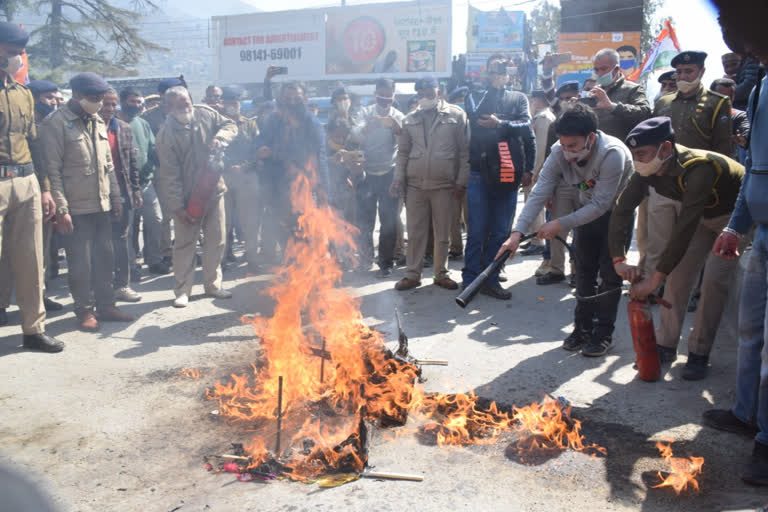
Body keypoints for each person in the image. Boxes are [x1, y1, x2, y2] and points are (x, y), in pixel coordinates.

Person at [609, 117, 745, 380]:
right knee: (678, 279)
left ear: (666, 149)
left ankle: (699, 353)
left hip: (733, 219)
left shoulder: (698, 167)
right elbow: (621, 210)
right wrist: (618, 260)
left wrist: (654, 280)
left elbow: (684, 225)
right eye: (634, 154)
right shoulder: (646, 170)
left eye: (642, 154)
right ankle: (665, 345)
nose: (637, 160)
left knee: (713, 283)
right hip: (704, 218)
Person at [497, 103, 633, 357]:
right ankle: (581, 329)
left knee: (609, 276)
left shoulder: (612, 154)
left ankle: (603, 333)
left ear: (590, 138)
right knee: (583, 273)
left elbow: (602, 204)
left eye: (573, 146)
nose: (567, 153)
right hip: (585, 214)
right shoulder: (559, 151)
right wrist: (516, 233)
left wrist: (559, 223)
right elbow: (540, 191)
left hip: (616, 217)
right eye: (564, 144)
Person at [702, 0, 768, 485]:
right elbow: (756, 172)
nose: (748, 53)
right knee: (749, 332)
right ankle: (747, 413)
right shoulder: (763, 84)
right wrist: (735, 226)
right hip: (761, 233)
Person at [39, 72, 135, 331]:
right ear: (77, 95)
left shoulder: (97, 121)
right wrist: (62, 209)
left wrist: (115, 198)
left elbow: (108, 166)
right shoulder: (55, 124)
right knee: (80, 263)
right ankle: (83, 310)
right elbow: (52, 171)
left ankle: (106, 305)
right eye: (95, 98)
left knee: (106, 257)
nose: (100, 104)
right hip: (75, 208)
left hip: (101, 205)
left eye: (102, 99)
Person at [0, 22, 64, 351]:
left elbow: (35, 143)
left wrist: (45, 187)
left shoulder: (23, 93)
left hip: (26, 181)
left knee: (31, 260)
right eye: (9, 53)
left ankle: (33, 329)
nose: (15, 60)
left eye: (17, 54)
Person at [647, 51, 733, 283]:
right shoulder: (663, 102)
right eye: (680, 72)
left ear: (701, 72)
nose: (683, 76)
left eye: (689, 71)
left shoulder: (718, 103)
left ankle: (685, 288)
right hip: (663, 184)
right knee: (658, 242)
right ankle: (652, 289)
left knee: (688, 245)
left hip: (695, 187)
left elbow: (723, 152)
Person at [154, 86, 238, 307]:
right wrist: (178, 207)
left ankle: (213, 285)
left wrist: (221, 138)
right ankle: (183, 291)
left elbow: (230, 125)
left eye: (187, 103)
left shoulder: (206, 113)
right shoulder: (165, 136)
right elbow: (169, 176)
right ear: (169, 107)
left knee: (217, 239)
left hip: (214, 190)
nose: (186, 107)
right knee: (184, 244)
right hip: (187, 199)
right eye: (179, 105)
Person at [461, 55, 536, 300]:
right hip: (480, 174)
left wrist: (529, 167)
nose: (499, 73)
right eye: (494, 69)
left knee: (501, 231)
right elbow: (476, 117)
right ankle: (470, 280)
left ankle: (491, 278)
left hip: (508, 173)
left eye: (503, 69)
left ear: (510, 72)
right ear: (486, 72)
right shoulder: (475, 95)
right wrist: (491, 89)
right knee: (477, 231)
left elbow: (526, 127)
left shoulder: (519, 97)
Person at [392, 75, 469, 291]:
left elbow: (465, 152)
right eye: (422, 92)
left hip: (445, 185)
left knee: (443, 231)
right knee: (415, 232)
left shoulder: (456, 115)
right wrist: (398, 178)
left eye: (430, 91)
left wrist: (461, 181)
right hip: (415, 185)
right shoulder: (409, 119)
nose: (426, 95)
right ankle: (412, 274)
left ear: (439, 90)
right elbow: (403, 153)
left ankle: (441, 274)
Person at [253, 81, 330, 265]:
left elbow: (318, 156)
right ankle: (291, 266)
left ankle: (306, 267)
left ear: (304, 99)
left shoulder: (311, 123)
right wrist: (260, 148)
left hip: (302, 184)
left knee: (303, 227)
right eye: (288, 98)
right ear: (281, 99)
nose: (292, 102)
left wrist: (323, 189)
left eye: (296, 98)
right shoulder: (273, 120)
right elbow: (260, 140)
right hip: (277, 183)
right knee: (282, 226)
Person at [350, 78, 404, 277]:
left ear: (393, 96)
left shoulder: (398, 116)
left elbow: (406, 144)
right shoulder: (364, 113)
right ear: (375, 95)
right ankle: (365, 261)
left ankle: (385, 263)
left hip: (389, 173)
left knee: (389, 221)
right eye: (381, 98)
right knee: (365, 221)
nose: (384, 103)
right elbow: (354, 136)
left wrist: (398, 130)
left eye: (388, 98)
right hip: (366, 174)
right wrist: (367, 128)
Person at [99, 88, 143, 302]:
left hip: (123, 192)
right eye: (105, 104)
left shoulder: (123, 128)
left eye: (112, 105)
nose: (109, 109)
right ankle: (99, 288)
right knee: (98, 243)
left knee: (121, 240)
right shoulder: (87, 129)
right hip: (96, 194)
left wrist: (135, 189)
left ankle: (122, 286)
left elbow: (132, 163)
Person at [118, 87, 168, 276]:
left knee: (156, 220)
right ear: (123, 102)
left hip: (146, 183)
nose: (137, 106)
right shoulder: (113, 123)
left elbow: (153, 148)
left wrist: (162, 163)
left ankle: (154, 260)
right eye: (133, 102)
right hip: (124, 186)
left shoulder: (143, 123)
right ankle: (130, 266)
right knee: (128, 229)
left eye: (140, 102)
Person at [536, 81, 581, 286]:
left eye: (571, 97)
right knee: (555, 229)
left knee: (582, 230)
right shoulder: (556, 125)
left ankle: (578, 270)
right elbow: (549, 161)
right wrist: (549, 192)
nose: (567, 102)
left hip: (584, 185)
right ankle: (556, 269)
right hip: (561, 185)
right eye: (563, 99)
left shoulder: (588, 122)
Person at [217, 85, 260, 271]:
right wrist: (227, 167)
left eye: (236, 102)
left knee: (249, 221)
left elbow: (257, 151)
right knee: (222, 221)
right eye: (229, 103)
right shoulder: (217, 123)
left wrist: (242, 167)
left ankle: (252, 258)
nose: (233, 106)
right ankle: (222, 259)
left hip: (246, 178)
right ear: (223, 104)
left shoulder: (249, 124)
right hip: (223, 178)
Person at [519, 89, 555, 259]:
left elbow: (540, 149)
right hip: (535, 170)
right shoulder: (539, 117)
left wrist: (534, 172)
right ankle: (534, 238)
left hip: (538, 171)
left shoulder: (543, 119)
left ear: (538, 100)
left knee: (536, 207)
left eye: (532, 101)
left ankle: (538, 242)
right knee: (531, 205)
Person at [588, 48, 652, 142]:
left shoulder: (633, 89)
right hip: (597, 150)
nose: (600, 73)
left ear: (616, 69)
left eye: (604, 69)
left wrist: (613, 107)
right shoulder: (594, 92)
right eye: (596, 69)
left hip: (625, 148)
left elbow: (645, 113)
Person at [711, 78, 751, 162]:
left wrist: (744, 139)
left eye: (728, 98)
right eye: (720, 97)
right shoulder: (699, 114)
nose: (724, 102)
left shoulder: (738, 115)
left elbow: (746, 129)